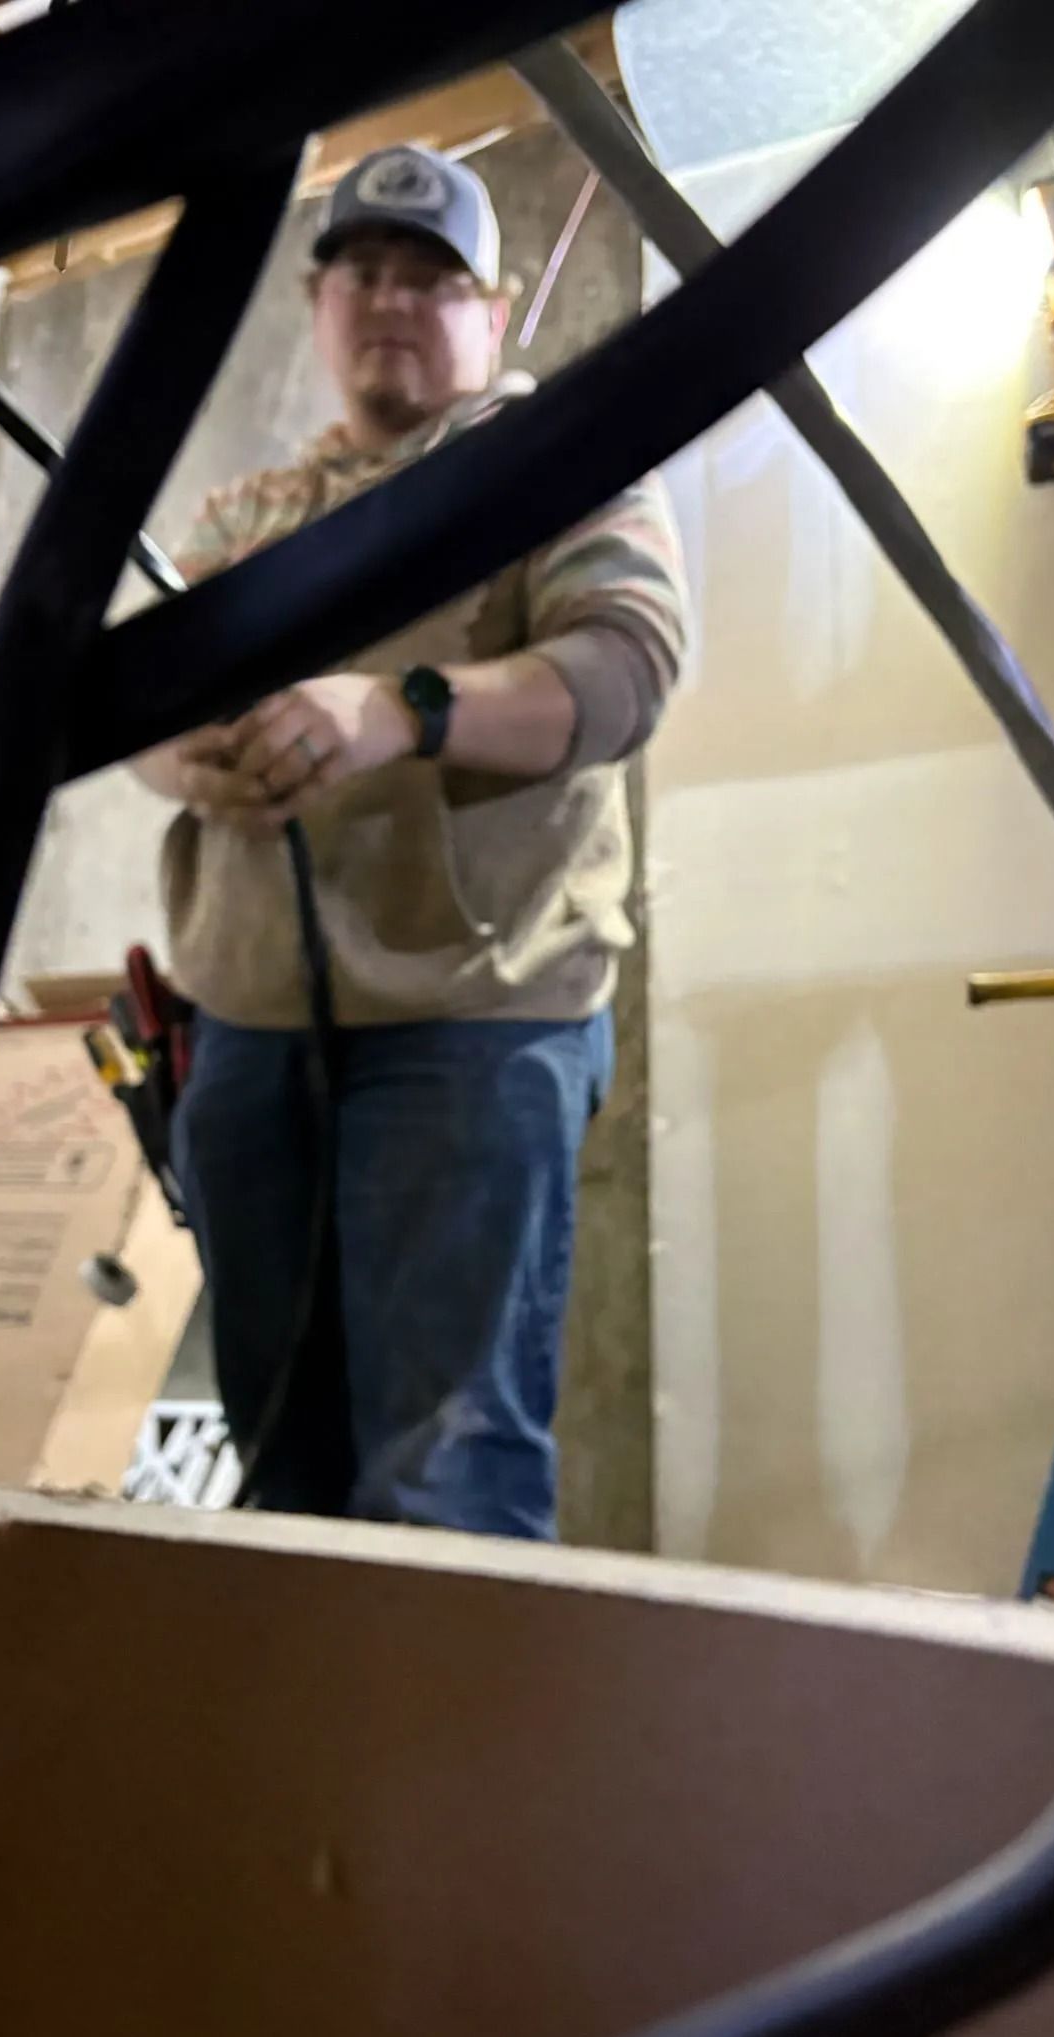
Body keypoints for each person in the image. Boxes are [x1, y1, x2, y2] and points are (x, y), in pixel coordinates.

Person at [134, 143, 688, 1540]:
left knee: (447, 1477)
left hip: (473, 1024)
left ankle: (447, 1759)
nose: (391, 300)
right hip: (250, 1031)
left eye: (430, 279)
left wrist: (402, 711)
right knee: (284, 1476)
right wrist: (179, 752)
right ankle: (322, 1757)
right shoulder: (248, 516)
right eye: (362, 273)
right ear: (318, 308)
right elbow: (131, 701)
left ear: (492, 314)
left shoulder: (556, 470)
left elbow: (626, 670)